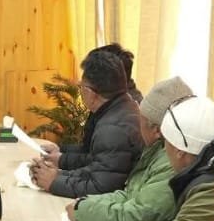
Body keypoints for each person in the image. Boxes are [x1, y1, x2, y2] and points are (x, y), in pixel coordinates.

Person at [70, 76, 194, 221]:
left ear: (156, 130)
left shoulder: (172, 162)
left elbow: (139, 215)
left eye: (141, 121)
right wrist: (87, 203)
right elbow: (130, 195)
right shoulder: (156, 151)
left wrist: (82, 211)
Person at [31, 48, 143, 197]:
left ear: (90, 93)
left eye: (81, 87)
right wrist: (59, 171)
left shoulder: (112, 129)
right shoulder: (123, 105)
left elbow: (100, 187)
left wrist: (54, 182)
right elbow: (97, 163)